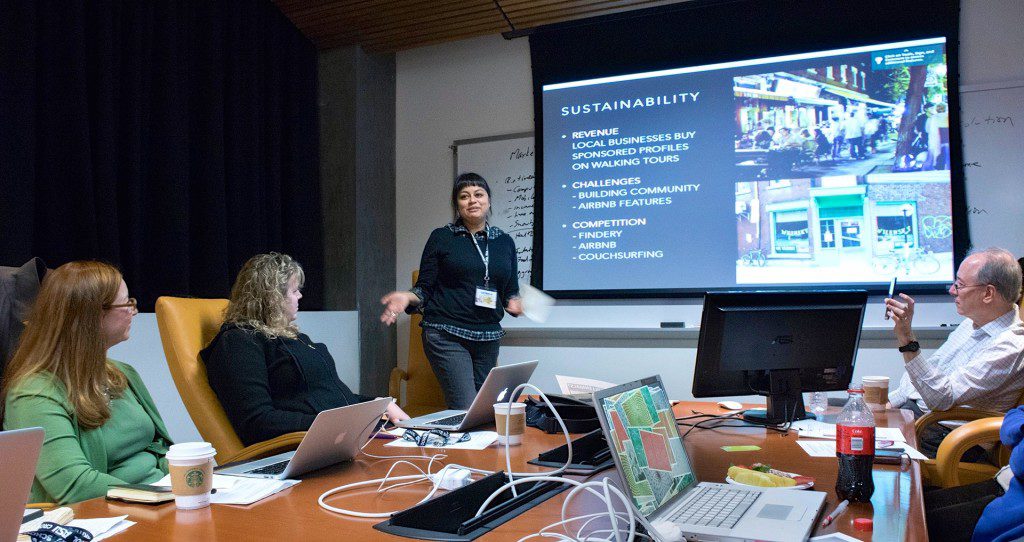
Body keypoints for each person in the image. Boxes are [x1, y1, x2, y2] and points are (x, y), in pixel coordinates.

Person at [1, 261, 172, 504]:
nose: (133, 311)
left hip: (155, 500)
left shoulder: (122, 374)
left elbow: (159, 449)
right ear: (93, 316)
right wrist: (163, 497)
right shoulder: (33, 393)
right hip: (108, 514)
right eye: (126, 303)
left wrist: (194, 478)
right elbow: (75, 486)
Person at [201, 253, 408, 446]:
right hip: (307, 446)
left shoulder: (293, 337)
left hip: (341, 437)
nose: (300, 296)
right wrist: (338, 423)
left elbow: (329, 397)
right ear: (272, 297)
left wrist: (378, 404)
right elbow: (257, 422)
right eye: (294, 290)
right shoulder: (239, 342)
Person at [380, 173, 522, 409]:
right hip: (446, 333)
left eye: (478, 194)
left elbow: (510, 291)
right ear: (457, 204)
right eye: (464, 196)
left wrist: (515, 302)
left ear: (488, 200)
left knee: (487, 409)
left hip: (487, 337)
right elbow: (424, 288)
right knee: (466, 407)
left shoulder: (504, 242)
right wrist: (406, 296)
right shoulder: (442, 238)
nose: (472, 201)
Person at [886, 248, 1024, 457]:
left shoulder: (1012, 347)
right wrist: (886, 404)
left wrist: (907, 340)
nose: (952, 290)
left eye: (960, 285)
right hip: (919, 417)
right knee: (850, 425)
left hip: (950, 439)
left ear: (988, 293)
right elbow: (926, 374)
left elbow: (940, 397)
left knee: (859, 451)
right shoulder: (971, 323)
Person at [923, 404, 1024, 542]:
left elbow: (1021, 461)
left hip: (1012, 511)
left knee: (911, 524)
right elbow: (1015, 414)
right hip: (1006, 482)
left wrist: (1019, 436)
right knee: (910, 506)